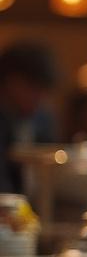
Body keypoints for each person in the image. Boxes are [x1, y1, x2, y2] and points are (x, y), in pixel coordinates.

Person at [0, 42, 58, 194]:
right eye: (32, 88)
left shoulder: (42, 118)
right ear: (9, 82)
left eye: (42, 90)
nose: (39, 98)